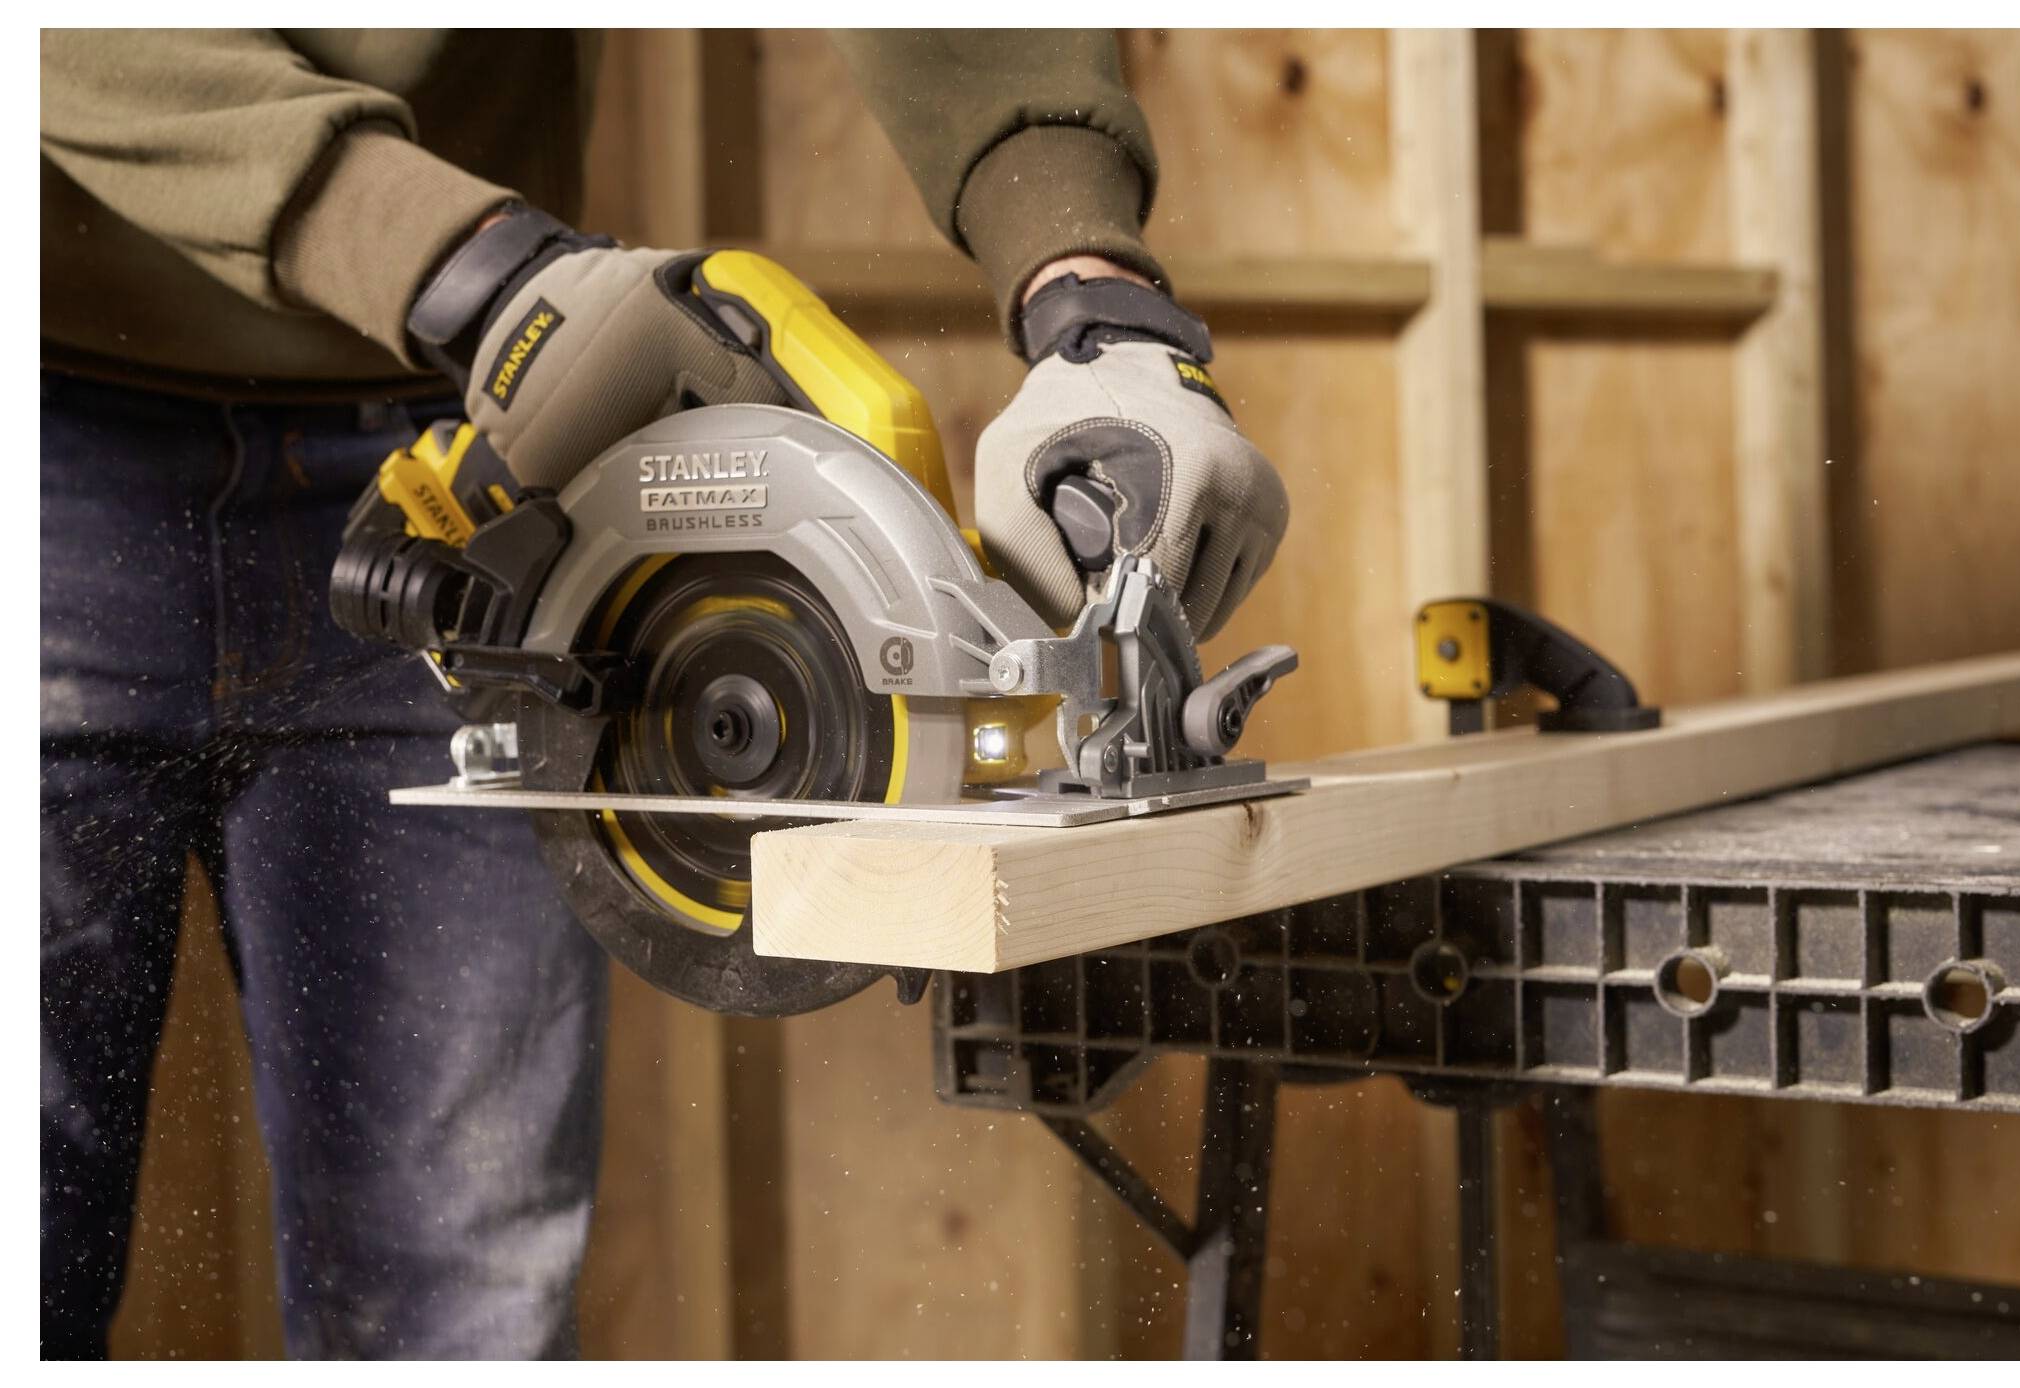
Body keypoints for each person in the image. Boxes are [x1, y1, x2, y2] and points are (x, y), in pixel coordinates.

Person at [39, 29, 1287, 1358]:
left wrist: (1091, 296)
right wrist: (449, 256)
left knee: (462, 1313)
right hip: (62, 410)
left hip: (468, 448)